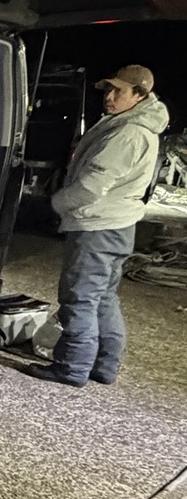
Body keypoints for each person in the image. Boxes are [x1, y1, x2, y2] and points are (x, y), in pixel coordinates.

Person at [29, 65, 168, 386]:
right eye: (108, 89)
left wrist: (52, 204)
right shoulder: (134, 126)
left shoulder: (127, 133)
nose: (109, 96)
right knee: (103, 297)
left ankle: (71, 367)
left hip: (98, 227)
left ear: (140, 95)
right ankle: (104, 365)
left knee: (79, 298)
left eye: (119, 90)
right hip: (118, 226)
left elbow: (91, 187)